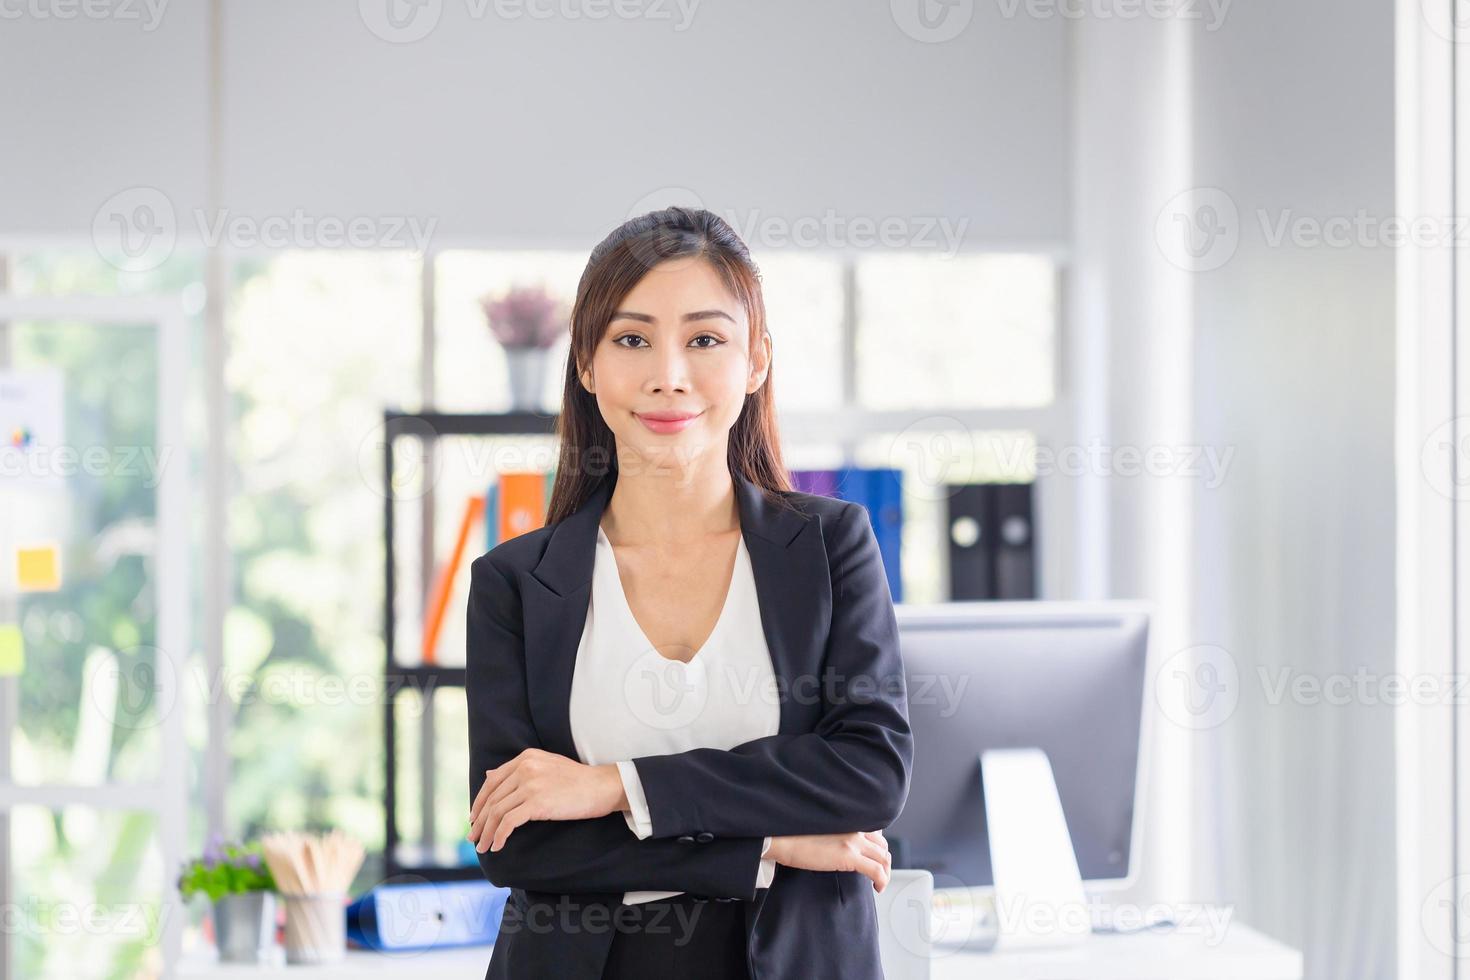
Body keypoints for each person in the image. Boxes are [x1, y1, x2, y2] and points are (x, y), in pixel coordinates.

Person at [465, 206, 914, 979]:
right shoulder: (514, 583)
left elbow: (868, 775)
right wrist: (764, 845)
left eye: (704, 339)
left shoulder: (830, 547)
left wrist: (614, 786)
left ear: (756, 360)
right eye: (631, 339)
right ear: (585, 363)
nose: (668, 374)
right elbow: (521, 840)